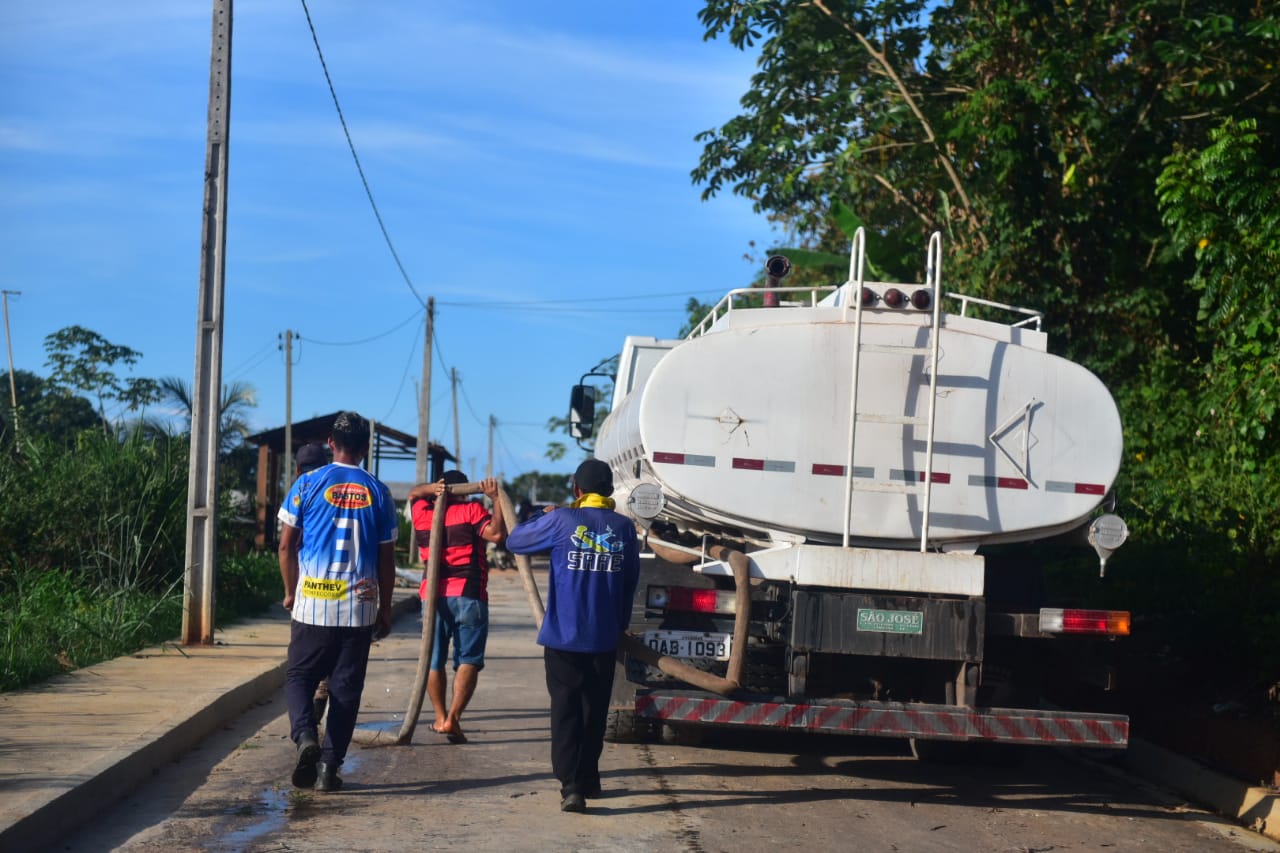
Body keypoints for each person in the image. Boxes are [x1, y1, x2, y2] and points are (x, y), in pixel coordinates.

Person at [505, 459, 640, 813]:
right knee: (593, 711)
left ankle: (571, 786)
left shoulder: (563, 520)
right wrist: (620, 625)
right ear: (609, 492)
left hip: (563, 638)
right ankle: (588, 777)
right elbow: (629, 585)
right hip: (603, 638)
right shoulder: (624, 529)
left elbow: (515, 540)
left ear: (576, 490)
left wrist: (543, 515)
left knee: (565, 710)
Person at [278, 412, 398, 793]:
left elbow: (285, 545)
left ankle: (305, 736)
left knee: (299, 677)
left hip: (313, 602)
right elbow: (386, 559)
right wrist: (386, 606)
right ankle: (330, 768)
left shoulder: (307, 483)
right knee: (346, 689)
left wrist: (290, 590)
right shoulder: (379, 491)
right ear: (365, 448)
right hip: (359, 607)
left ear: (331, 443)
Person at [408, 470, 507, 744]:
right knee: (468, 660)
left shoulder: (422, 513)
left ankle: (440, 718)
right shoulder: (472, 510)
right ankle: (453, 718)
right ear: (463, 491)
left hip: (432, 596)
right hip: (469, 595)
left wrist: (429, 488)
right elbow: (497, 534)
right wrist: (496, 498)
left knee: (433, 659)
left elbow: (414, 493)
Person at [293, 442, 332, 725]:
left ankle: (305, 724)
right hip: (341, 588)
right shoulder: (333, 491)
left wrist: (287, 590)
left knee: (301, 665)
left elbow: (285, 547)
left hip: (306, 590)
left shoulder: (299, 490)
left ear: (297, 468)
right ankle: (322, 691)